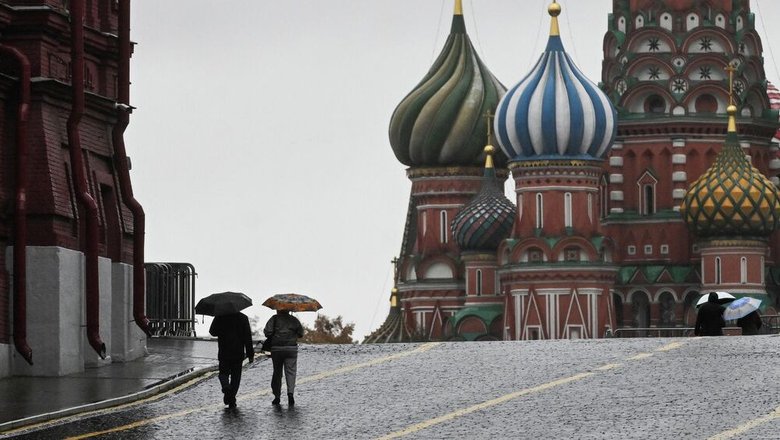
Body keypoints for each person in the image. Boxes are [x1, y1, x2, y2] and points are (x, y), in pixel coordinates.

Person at [209, 312, 254, 408]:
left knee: (223, 373)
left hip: (224, 350)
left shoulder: (220, 316)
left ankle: (226, 387)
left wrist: (221, 329)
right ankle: (231, 399)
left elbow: (212, 331)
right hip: (238, 352)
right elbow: (247, 337)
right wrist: (250, 354)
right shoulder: (243, 318)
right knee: (236, 377)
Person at [264, 310, 304, 407]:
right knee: (291, 372)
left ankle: (277, 396)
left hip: (276, 349)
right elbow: (301, 333)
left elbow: (267, 332)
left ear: (277, 309)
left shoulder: (274, 319)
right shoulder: (294, 320)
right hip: (291, 348)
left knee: (277, 372)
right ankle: (290, 394)